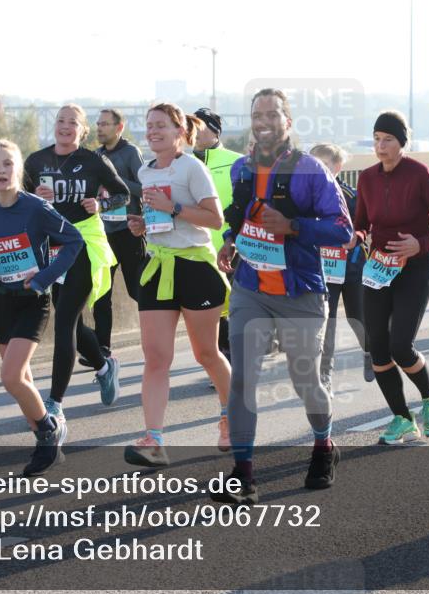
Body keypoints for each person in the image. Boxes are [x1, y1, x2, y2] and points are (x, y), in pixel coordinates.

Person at [209, 88, 352, 504]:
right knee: (242, 382)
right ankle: (244, 475)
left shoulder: (311, 171)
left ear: (287, 122)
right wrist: (230, 241)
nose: (264, 120)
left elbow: (341, 230)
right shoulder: (241, 170)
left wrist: (292, 226)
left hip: (300, 292)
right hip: (251, 289)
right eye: (258, 114)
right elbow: (240, 215)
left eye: (273, 114)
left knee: (306, 382)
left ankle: (324, 444)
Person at [0, 140, 83, 476]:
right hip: (4, 300)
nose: (1, 171)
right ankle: (45, 445)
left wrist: (44, 277)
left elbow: (74, 241)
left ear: (19, 169)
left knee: (11, 376)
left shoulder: (35, 208)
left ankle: (48, 430)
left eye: (7, 164)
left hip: (34, 300)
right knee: (23, 379)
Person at [123, 103, 232, 467]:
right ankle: (153, 439)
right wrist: (144, 224)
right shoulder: (145, 170)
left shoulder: (192, 167)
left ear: (180, 132)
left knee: (206, 354)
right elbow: (160, 218)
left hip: (194, 268)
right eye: (149, 125)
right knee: (156, 357)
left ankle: (231, 414)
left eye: (161, 126)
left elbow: (215, 220)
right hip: (158, 267)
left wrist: (172, 209)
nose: (153, 131)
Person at [354, 110, 429, 445]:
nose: (380, 147)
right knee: (378, 348)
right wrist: (354, 238)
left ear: (402, 143)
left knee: (401, 344)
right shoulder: (367, 177)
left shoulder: (420, 174)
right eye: (376, 140)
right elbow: (361, 222)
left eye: (388, 140)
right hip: (379, 267)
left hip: (415, 265)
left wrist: (421, 244)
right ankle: (401, 418)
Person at [24, 104, 130, 417]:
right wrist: (36, 198)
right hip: (53, 245)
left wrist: (100, 203)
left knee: (64, 322)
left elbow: (122, 194)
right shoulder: (36, 161)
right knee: (74, 321)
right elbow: (21, 200)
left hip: (83, 242)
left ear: (82, 130)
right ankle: (103, 366)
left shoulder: (93, 161)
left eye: (73, 122)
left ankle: (54, 404)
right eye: (60, 121)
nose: (65, 126)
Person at [81, 108, 146, 365]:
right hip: (103, 234)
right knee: (102, 293)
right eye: (97, 124)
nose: (99, 128)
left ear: (119, 128)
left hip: (129, 232)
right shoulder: (95, 156)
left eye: (105, 124)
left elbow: (144, 189)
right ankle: (102, 349)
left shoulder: (131, 153)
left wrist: (116, 181)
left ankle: (157, 334)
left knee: (136, 289)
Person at [309, 143, 372, 386]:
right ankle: (325, 376)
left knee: (358, 317)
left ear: (337, 167)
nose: (316, 170)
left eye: (323, 165)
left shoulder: (351, 196)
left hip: (352, 267)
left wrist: (355, 238)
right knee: (327, 321)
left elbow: (365, 226)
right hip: (324, 269)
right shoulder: (306, 197)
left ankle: (370, 352)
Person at [191, 107, 243, 375]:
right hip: (197, 248)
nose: (195, 133)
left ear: (215, 131)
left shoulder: (237, 161)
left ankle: (232, 362)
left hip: (231, 246)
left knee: (232, 306)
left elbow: (245, 204)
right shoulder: (183, 163)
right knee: (212, 310)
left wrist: (235, 236)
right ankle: (221, 361)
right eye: (191, 127)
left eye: (200, 127)